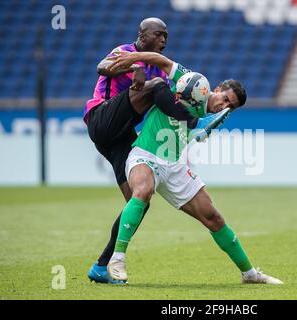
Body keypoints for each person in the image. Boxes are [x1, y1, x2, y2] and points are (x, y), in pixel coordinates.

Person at [105, 52, 284, 285]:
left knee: (213, 217)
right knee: (143, 190)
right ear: (217, 88)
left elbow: (198, 136)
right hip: (146, 154)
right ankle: (117, 259)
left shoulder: (216, 117)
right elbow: (163, 61)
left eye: (231, 106)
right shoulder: (193, 82)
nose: (225, 105)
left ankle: (249, 274)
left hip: (175, 165)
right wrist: (135, 58)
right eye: (226, 98)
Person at [86, 18, 210, 284]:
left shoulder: (163, 73)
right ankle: (196, 126)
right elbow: (102, 67)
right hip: (102, 119)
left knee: (139, 202)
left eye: (167, 35)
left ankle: (101, 265)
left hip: (120, 136)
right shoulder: (126, 51)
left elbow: (176, 98)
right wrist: (137, 66)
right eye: (159, 34)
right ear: (142, 36)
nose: (164, 39)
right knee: (156, 87)